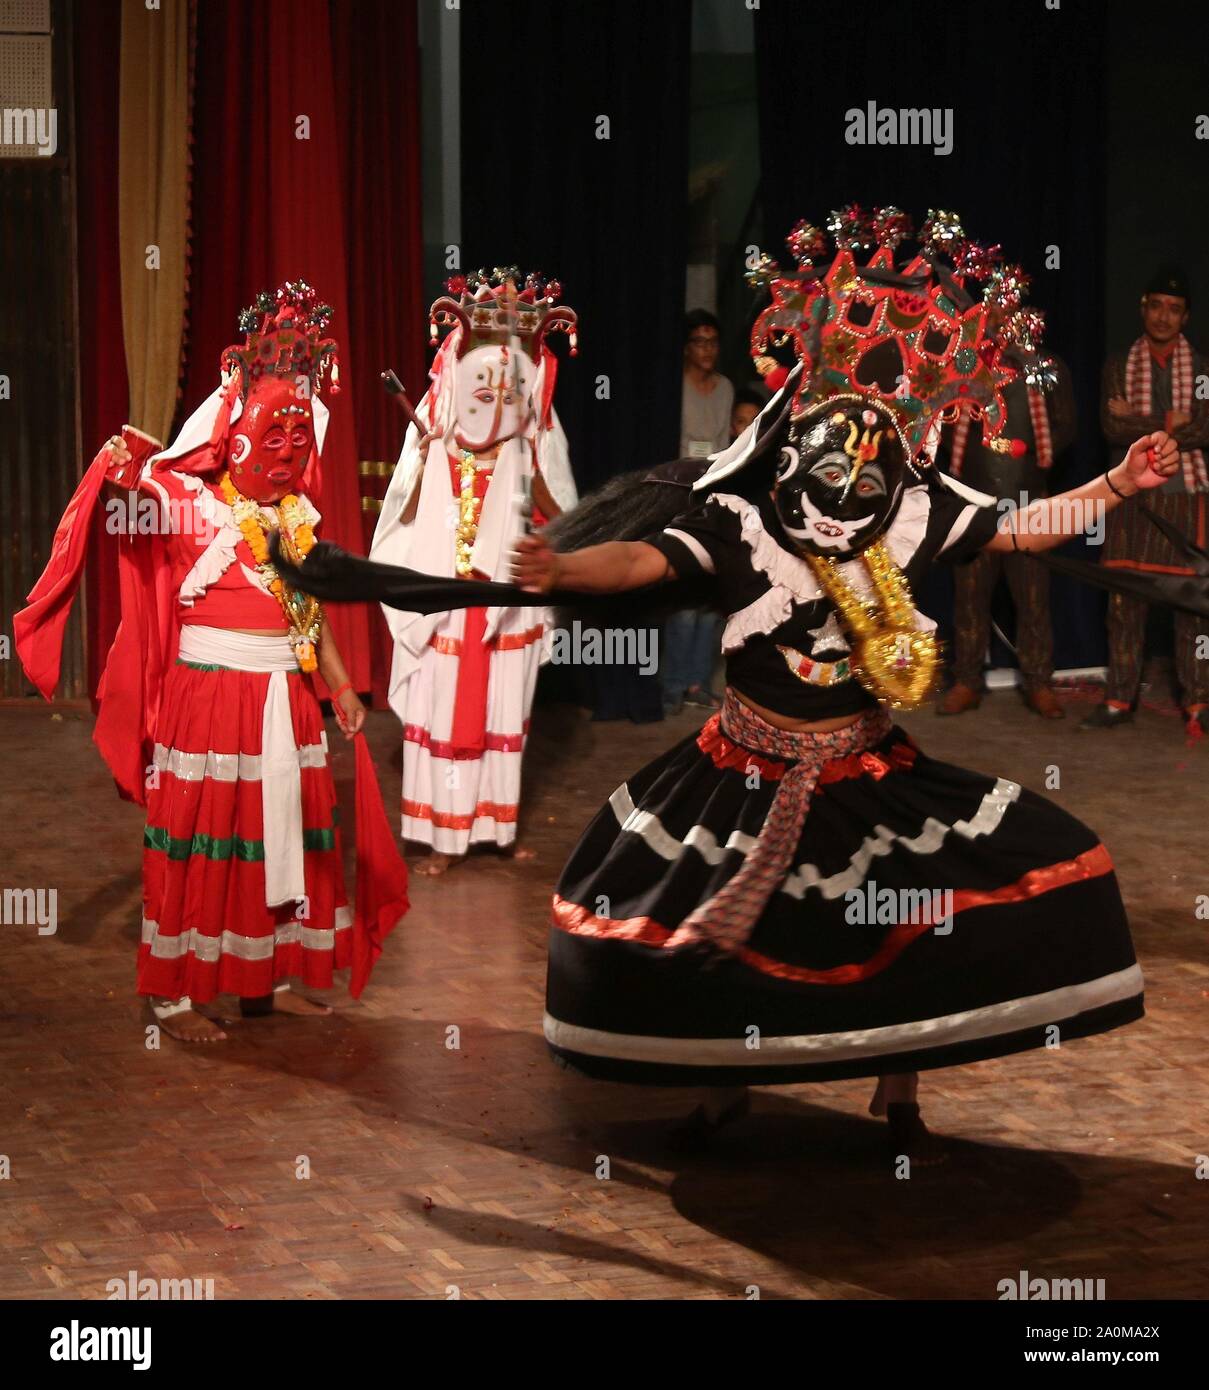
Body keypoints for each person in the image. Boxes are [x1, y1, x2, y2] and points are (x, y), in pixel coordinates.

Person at [510, 211, 1170, 1163]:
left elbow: (1025, 528)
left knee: (910, 922)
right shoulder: (742, 519)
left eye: (867, 473)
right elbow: (640, 563)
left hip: (859, 767)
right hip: (738, 766)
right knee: (726, 939)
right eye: (829, 467)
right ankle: (723, 1087)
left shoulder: (913, 512)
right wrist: (564, 571)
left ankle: (896, 1091)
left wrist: (1113, 484)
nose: (847, 489)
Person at [15, 282, 408, 1042]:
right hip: (212, 701)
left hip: (285, 699)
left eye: (301, 435)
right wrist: (123, 462)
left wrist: (337, 685)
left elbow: (309, 609)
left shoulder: (297, 517)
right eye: (275, 432)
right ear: (233, 437)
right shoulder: (192, 502)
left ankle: (266, 981)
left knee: (283, 839)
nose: (291, 448)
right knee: (203, 844)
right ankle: (173, 997)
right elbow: (129, 482)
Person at [369, 270, 579, 874]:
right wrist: (433, 459)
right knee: (440, 717)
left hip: (505, 608)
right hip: (442, 608)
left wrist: (528, 468)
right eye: (479, 383)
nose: (491, 395)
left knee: (503, 718)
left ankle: (495, 828)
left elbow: (563, 517)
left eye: (506, 386)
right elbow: (399, 518)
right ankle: (441, 838)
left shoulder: (532, 443)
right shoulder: (434, 438)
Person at [1083, 264, 1209, 736]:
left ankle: (1198, 703)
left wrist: (1140, 416)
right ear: (1143, 307)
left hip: (1184, 496)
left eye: (1174, 309)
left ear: (1186, 317)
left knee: (1191, 607)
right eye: (1156, 305)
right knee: (1124, 603)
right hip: (1130, 495)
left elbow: (1205, 427)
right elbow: (1111, 428)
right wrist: (1170, 420)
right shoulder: (1118, 364)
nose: (1163, 316)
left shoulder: (1201, 370)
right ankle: (1118, 700)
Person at [937, 354, 1075, 718]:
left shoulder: (1047, 368)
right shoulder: (962, 365)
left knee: (1033, 600)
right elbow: (940, 420)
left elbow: (1066, 426)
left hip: (1028, 498)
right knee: (969, 597)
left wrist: (1030, 453)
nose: (1003, 320)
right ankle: (966, 681)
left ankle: (1039, 683)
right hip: (973, 500)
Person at [664, 310, 733, 714]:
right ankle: (674, 685)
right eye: (699, 342)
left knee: (710, 601)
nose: (707, 350)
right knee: (681, 600)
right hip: (678, 494)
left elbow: (723, 442)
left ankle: (698, 682)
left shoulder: (724, 388)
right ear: (686, 348)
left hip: (713, 493)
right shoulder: (675, 387)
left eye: (713, 342)